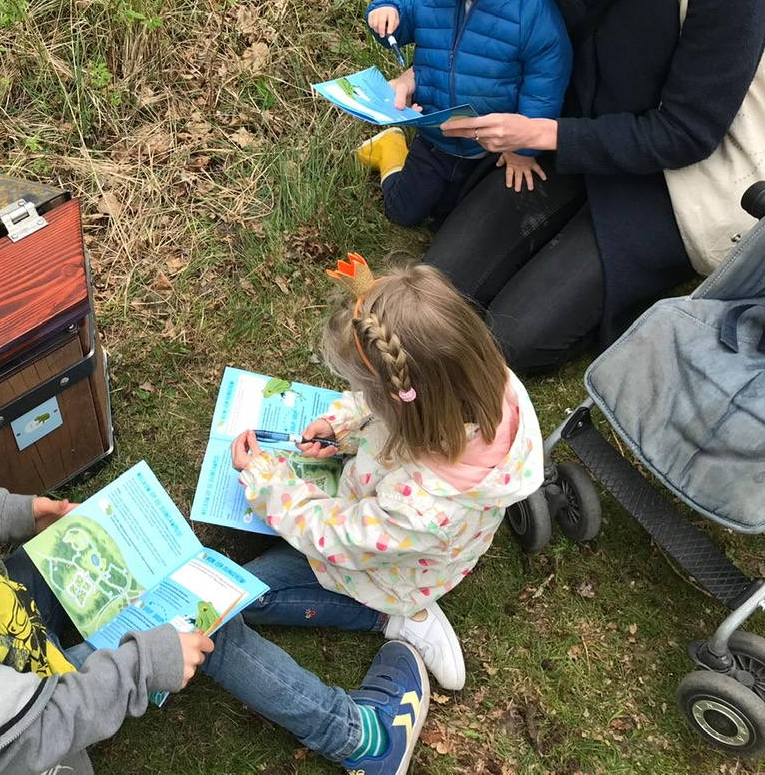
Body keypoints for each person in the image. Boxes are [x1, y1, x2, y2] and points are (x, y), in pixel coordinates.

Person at [0, 347, 431, 775]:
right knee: (205, 624)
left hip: (0, 635)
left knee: (135, 560)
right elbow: (44, 726)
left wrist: (11, 515)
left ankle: (344, 610)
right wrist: (146, 665)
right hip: (18, 736)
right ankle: (361, 740)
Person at [412, 0, 765, 372]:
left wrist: (543, 133)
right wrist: (425, 71)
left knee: (518, 341)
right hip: (559, 125)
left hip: (660, 177)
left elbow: (687, 131)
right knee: (443, 286)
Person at [230, 256, 544, 692]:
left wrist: (269, 484)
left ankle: (396, 616)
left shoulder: (422, 506)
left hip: (387, 571)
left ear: (400, 404)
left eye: (366, 392)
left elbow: (341, 538)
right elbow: (392, 396)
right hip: (391, 522)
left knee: (243, 595)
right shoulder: (483, 383)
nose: (361, 397)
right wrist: (343, 425)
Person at [355, 0, 572, 228]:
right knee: (403, 212)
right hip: (433, 135)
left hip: (489, 149)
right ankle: (391, 146)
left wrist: (522, 149)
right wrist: (384, 13)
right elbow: (403, 12)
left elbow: (545, 82)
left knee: (451, 222)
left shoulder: (531, 9)